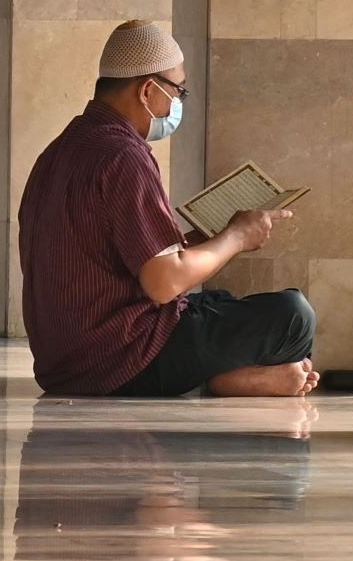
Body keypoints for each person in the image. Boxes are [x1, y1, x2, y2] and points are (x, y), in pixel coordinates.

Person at [17, 20, 320, 399]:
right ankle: (225, 380)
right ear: (147, 90)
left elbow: (118, 259)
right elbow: (164, 284)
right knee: (293, 315)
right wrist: (236, 237)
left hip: (62, 363)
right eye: (178, 91)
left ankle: (228, 377)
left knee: (219, 301)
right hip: (119, 360)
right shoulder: (123, 156)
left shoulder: (61, 150)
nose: (178, 103)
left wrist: (205, 237)